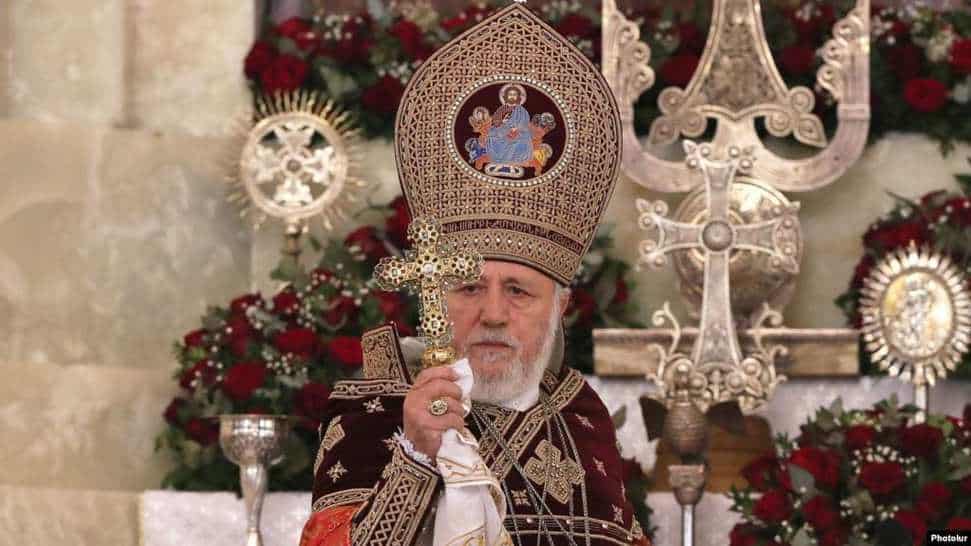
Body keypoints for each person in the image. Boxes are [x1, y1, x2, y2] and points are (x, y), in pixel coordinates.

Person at [299, 4, 648, 545]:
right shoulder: (375, 409)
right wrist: (415, 455)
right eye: (469, 287)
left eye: (519, 291)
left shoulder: (579, 415)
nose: (493, 314)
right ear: (433, 294)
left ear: (559, 306)